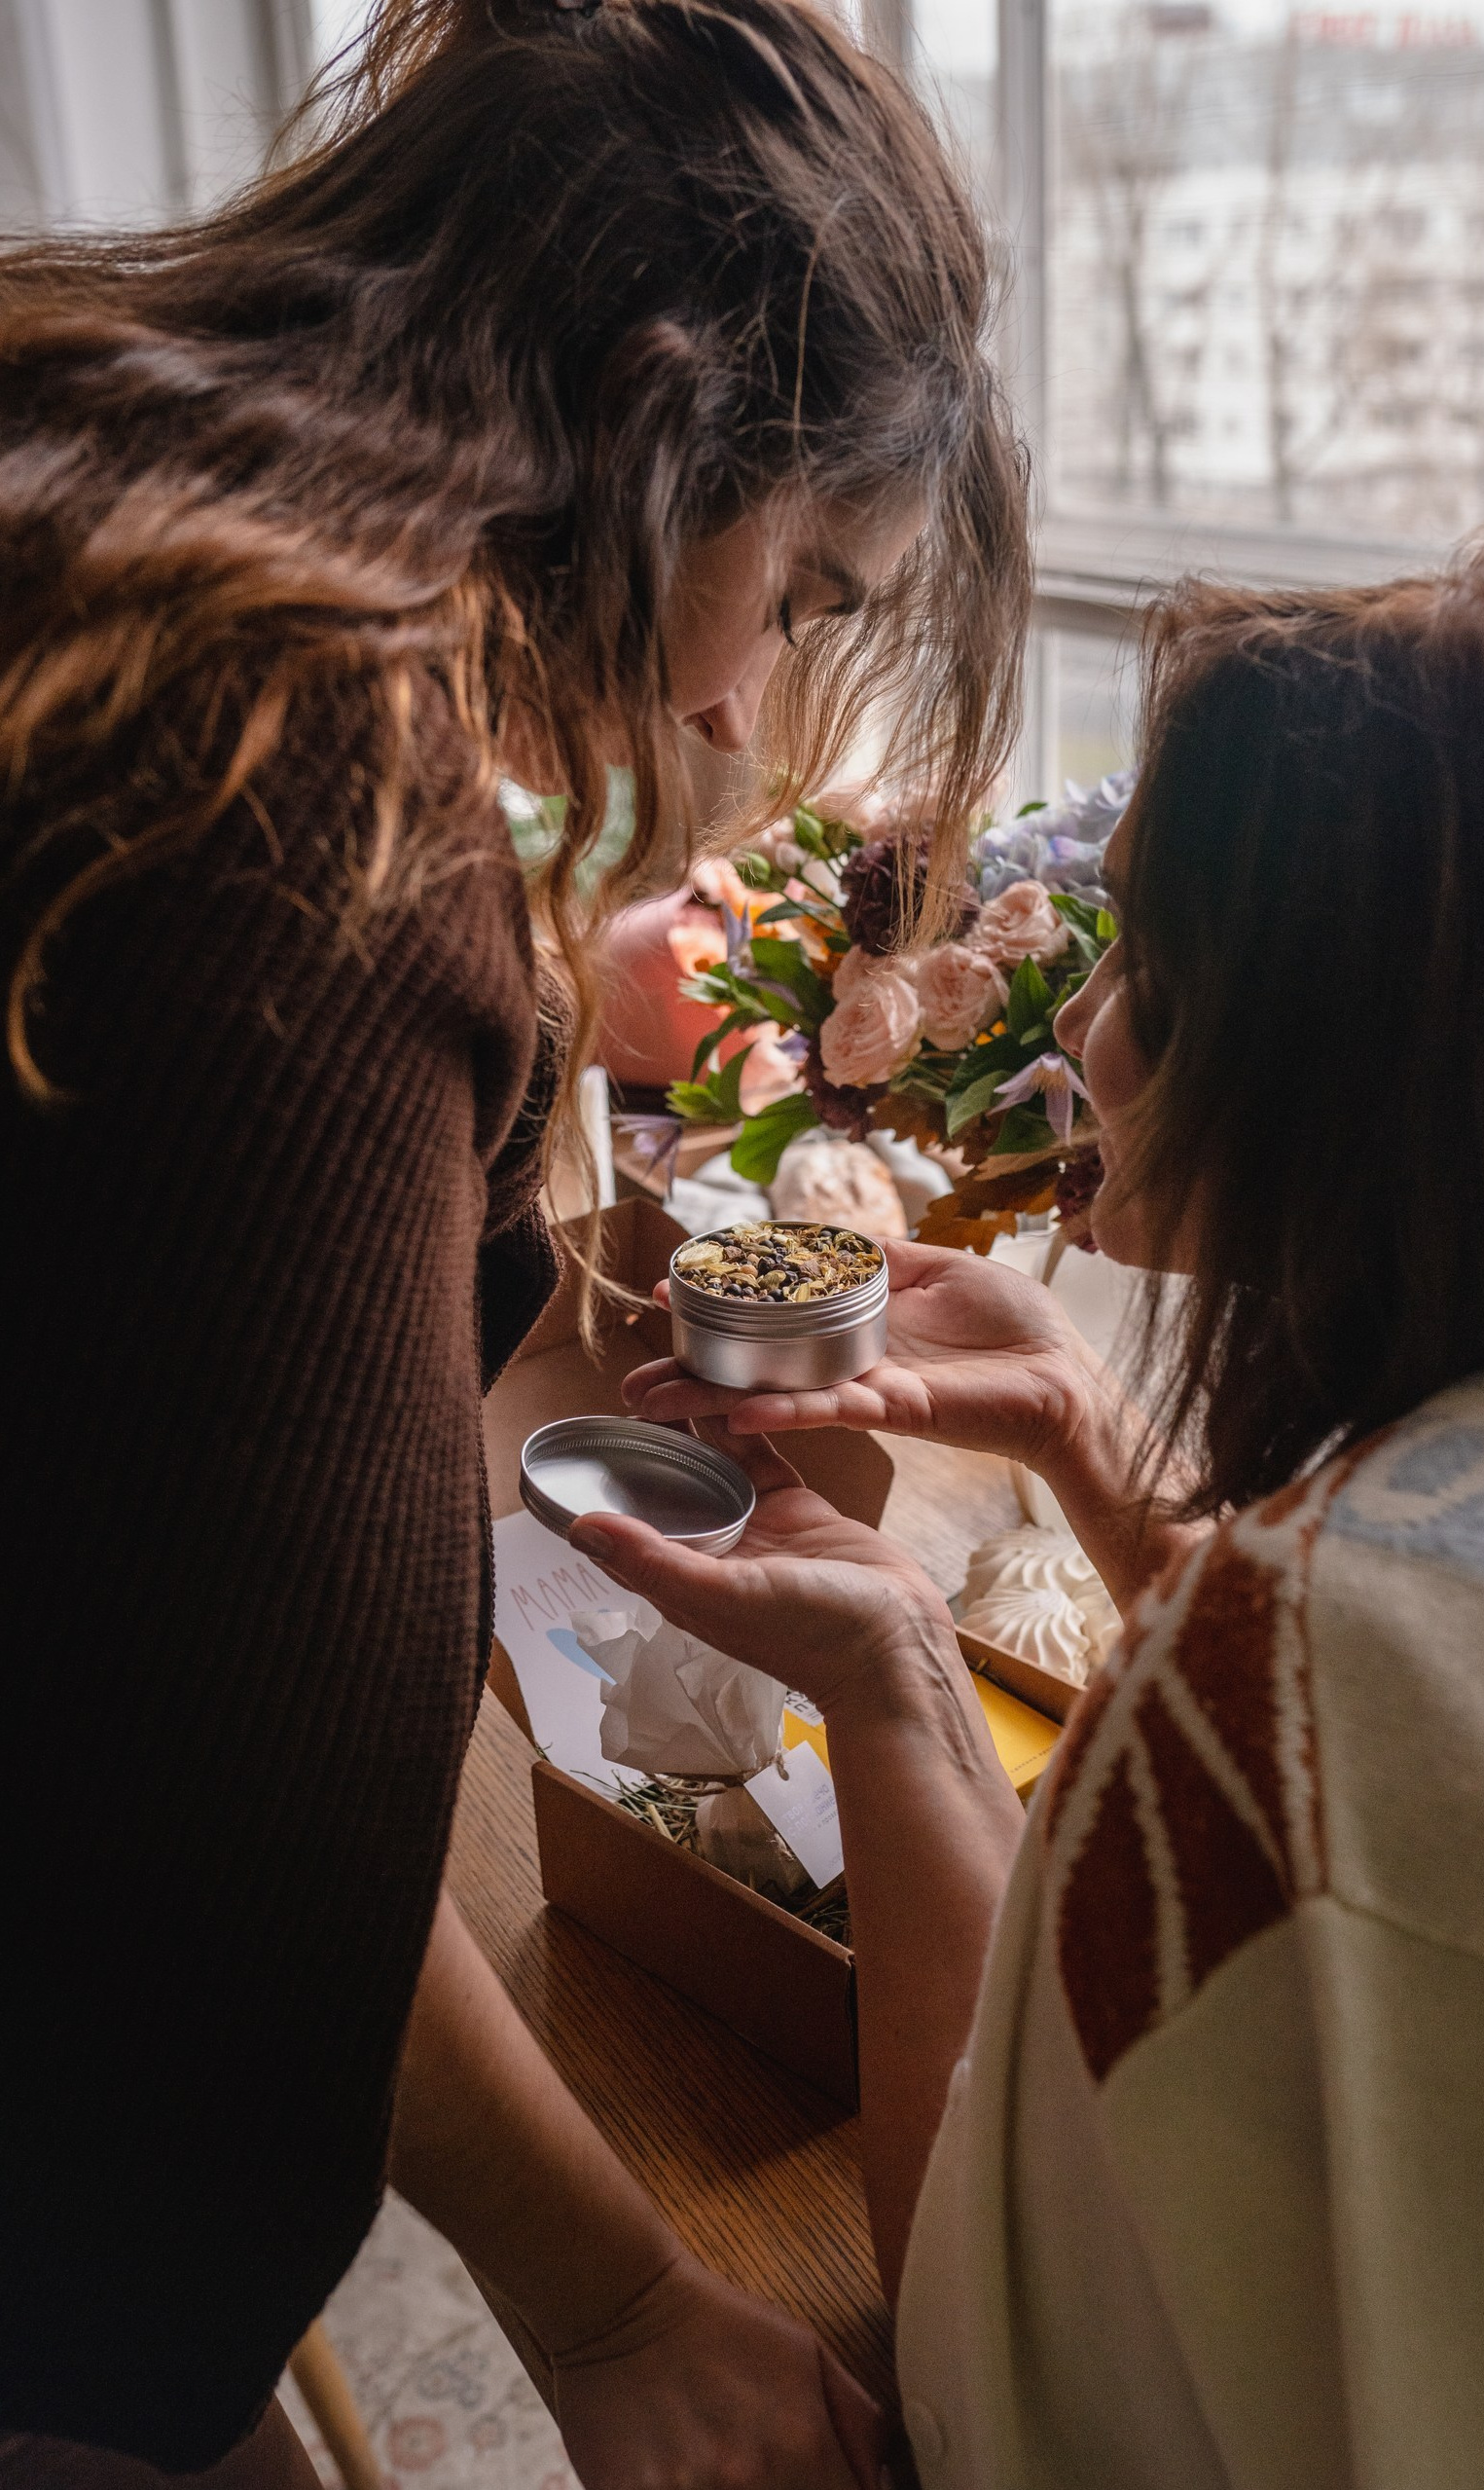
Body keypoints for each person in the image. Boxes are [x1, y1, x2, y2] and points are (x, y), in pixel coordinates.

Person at [0, 2, 1029, 2481]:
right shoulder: (283, 780)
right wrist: (618, 2300)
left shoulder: (93, 500)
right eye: (795, 596)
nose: (744, 711)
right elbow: (252, 1814)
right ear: (653, 423)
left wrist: (566, 1201)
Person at [606, 532, 1484, 2487]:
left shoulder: (1313, 1658)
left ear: (1343, 1081)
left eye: (1147, 974)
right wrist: (1097, 1448)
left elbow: (992, 2371)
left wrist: (904, 1677)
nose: (1084, 1028)